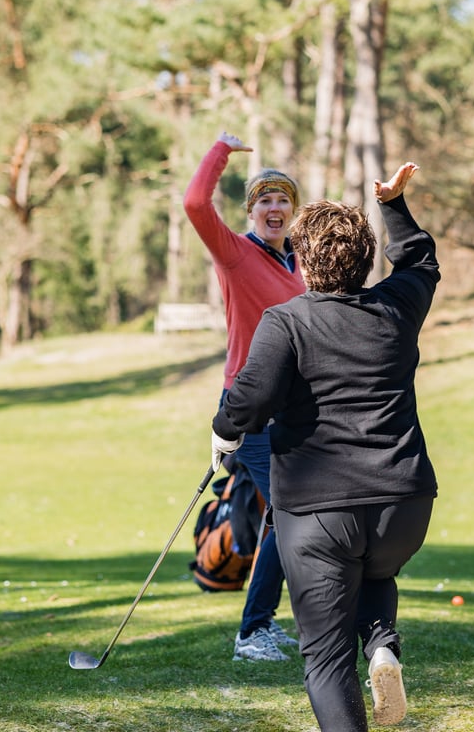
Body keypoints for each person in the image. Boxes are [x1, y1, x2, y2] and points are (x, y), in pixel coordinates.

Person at [210, 162, 438, 730]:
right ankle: (382, 646)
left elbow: (249, 400)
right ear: (364, 259)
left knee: (326, 657)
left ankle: (371, 653)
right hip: (404, 508)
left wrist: (222, 433)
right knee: (374, 570)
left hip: (317, 515)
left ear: (304, 261)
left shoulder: (285, 321)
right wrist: (392, 205)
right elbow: (420, 260)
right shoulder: (397, 307)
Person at [183, 131, 305, 662]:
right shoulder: (235, 253)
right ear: (251, 211)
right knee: (286, 510)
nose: (274, 207)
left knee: (291, 515)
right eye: (263, 200)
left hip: (296, 408)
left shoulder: (299, 264)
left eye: (282, 200)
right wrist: (219, 152)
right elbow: (193, 203)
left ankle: (261, 624)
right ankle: (253, 631)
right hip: (249, 405)